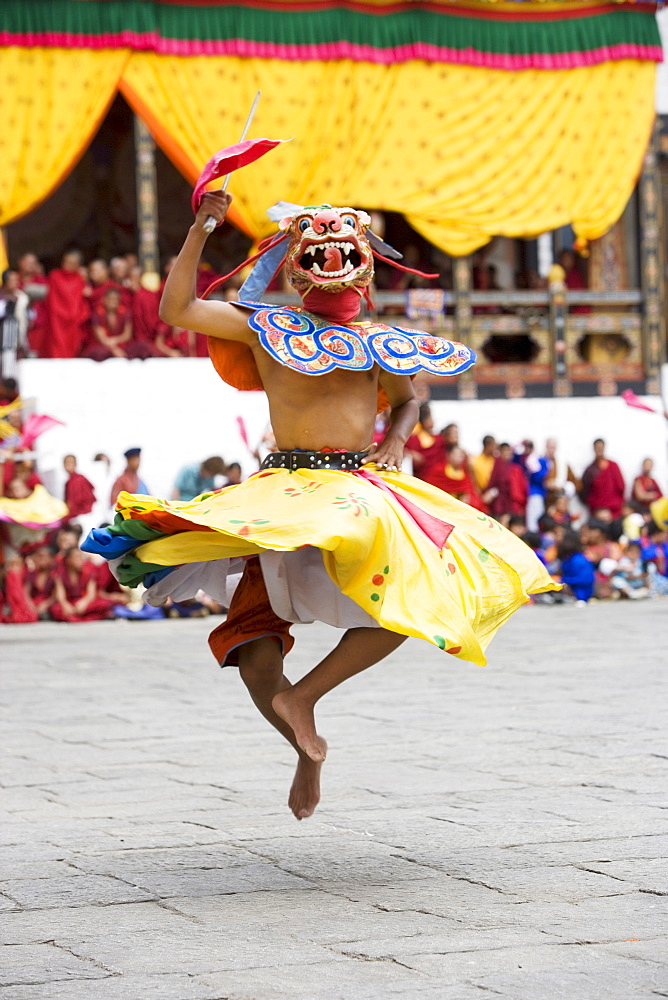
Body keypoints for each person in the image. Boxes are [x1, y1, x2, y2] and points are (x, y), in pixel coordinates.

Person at [85, 193, 556, 820]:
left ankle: (304, 697)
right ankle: (304, 749)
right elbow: (177, 309)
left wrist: (393, 438)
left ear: (362, 261)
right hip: (283, 494)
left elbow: (408, 399)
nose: (331, 254)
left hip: (357, 491)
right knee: (255, 655)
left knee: (410, 608)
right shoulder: (264, 327)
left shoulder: (384, 342)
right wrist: (203, 225)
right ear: (294, 262)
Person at [44, 249, 90, 358]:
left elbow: (82, 299)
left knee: (73, 345)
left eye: (71, 263)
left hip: (73, 318)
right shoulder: (55, 276)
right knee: (56, 343)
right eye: (65, 262)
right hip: (57, 318)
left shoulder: (80, 278)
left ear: (78, 265)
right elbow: (52, 297)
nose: (67, 265)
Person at [51, 548, 113, 622]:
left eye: (82, 557)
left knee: (104, 604)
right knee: (56, 609)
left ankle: (75, 619)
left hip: (84, 602)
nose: (81, 560)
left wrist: (84, 603)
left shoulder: (88, 571)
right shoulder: (60, 573)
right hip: (70, 603)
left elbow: (91, 594)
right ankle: (84, 618)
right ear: (68, 560)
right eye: (77, 557)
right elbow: (61, 596)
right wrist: (65, 605)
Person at [581, 439, 625, 519]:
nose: (599, 450)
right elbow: (585, 491)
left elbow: (621, 486)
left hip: (614, 510)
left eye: (601, 447)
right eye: (597, 447)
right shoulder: (590, 470)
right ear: (594, 449)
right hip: (597, 511)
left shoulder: (613, 466)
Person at [0, 270, 29, 379]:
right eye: (13, 280)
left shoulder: (21, 297)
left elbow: (25, 317)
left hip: (10, 336)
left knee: (9, 363)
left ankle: (8, 387)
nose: (16, 283)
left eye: (17, 280)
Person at [557, 531, 595, 605]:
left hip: (581, 592)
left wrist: (563, 580)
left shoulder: (578, 560)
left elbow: (585, 579)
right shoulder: (568, 558)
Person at [63, 455, 96, 521]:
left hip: (82, 516)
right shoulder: (68, 482)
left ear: (75, 464)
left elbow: (88, 498)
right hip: (73, 516)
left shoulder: (80, 479)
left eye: (70, 462)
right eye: (65, 463)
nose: (68, 465)